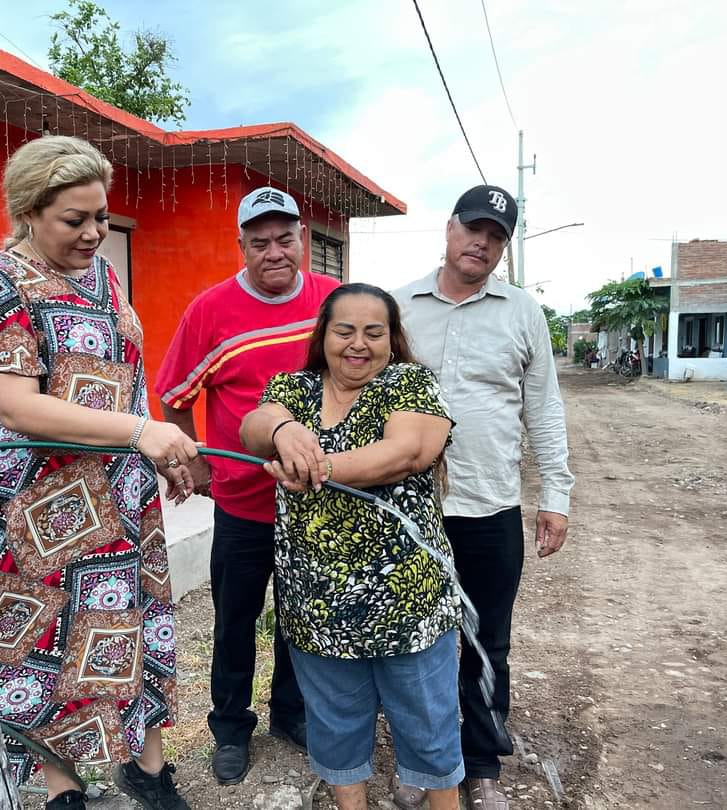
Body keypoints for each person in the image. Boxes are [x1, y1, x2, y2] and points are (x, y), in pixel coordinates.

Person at [0, 136, 196, 810]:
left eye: (100, 217)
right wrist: (140, 432)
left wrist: (163, 451)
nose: (93, 232)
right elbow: (16, 403)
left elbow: (127, 374)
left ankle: (145, 766)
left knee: (127, 619)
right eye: (74, 220)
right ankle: (63, 782)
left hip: (120, 490)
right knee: (48, 637)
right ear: (30, 211)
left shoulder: (104, 277)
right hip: (41, 502)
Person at [239, 283, 464, 810]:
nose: (357, 343)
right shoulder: (293, 389)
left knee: (428, 726)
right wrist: (283, 429)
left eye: (373, 331)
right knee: (336, 724)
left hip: (408, 602)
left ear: (392, 339)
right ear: (324, 336)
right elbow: (253, 426)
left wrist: (316, 467)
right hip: (317, 601)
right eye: (344, 330)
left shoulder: (410, 383)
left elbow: (409, 451)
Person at [392, 185, 574, 810]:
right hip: (406, 510)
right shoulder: (399, 307)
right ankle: (422, 761)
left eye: (496, 236)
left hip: (490, 505)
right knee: (414, 639)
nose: (482, 242)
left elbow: (544, 410)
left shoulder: (523, 313)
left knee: (486, 637)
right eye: (474, 228)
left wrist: (556, 495)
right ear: (448, 229)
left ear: (504, 247)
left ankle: (482, 762)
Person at [156, 186, 338, 784]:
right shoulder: (210, 310)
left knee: (301, 618)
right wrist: (201, 466)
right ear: (242, 247)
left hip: (318, 502)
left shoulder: (333, 301)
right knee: (236, 622)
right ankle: (230, 727)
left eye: (286, 239)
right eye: (259, 243)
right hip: (243, 505)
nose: (275, 253)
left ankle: (290, 713)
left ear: (303, 239)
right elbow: (174, 393)